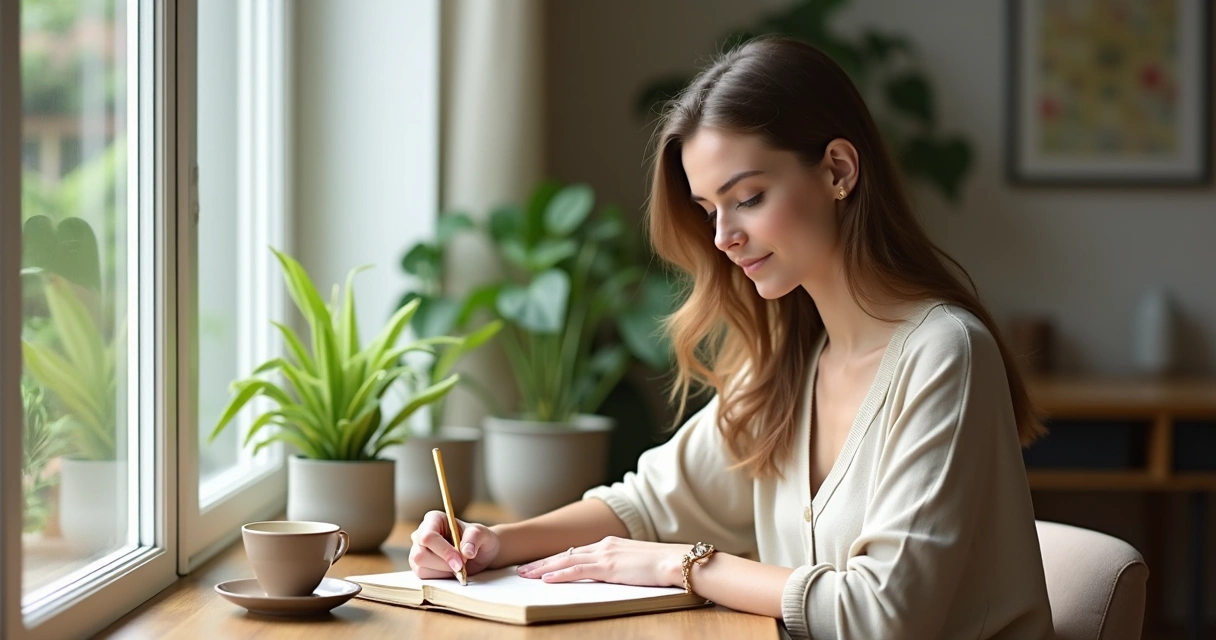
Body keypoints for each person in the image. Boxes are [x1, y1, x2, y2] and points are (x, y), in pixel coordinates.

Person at [409, 36, 1053, 639]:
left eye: (747, 197)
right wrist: (493, 541)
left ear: (837, 170)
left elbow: (881, 614)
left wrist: (682, 566)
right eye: (708, 210)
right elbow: (648, 506)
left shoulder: (945, 354)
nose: (722, 238)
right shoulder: (789, 360)